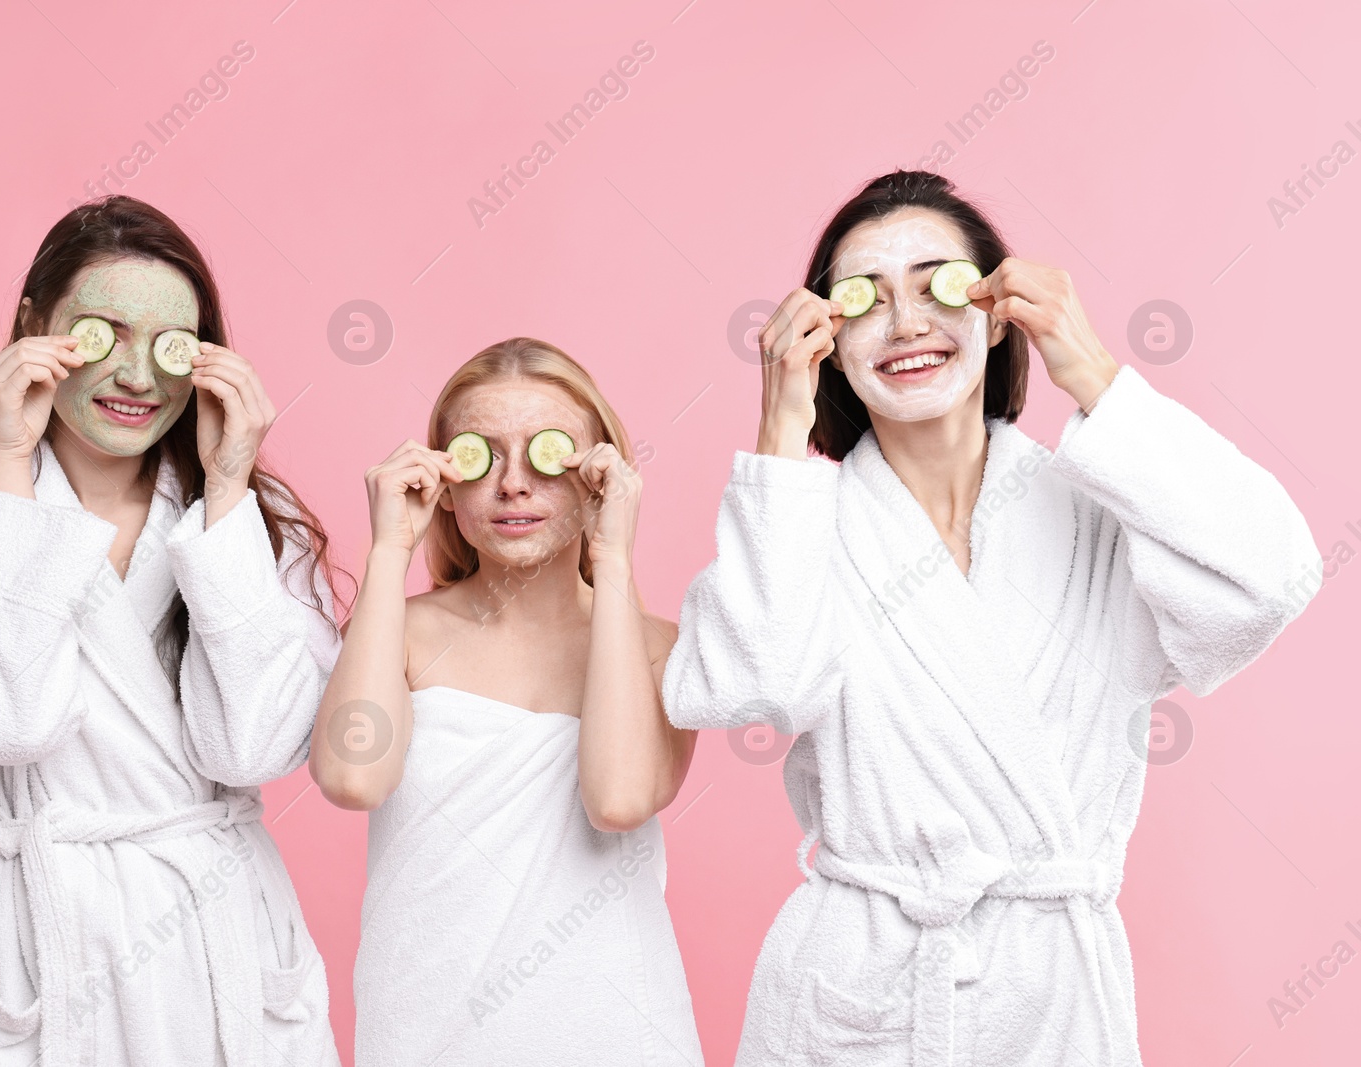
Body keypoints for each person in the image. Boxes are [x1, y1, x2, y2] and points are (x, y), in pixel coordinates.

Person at [661, 170, 1322, 1066]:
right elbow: (756, 682)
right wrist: (780, 430)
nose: (904, 324)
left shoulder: (1096, 509)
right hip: (860, 993)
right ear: (824, 340)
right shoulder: (805, 525)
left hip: (1052, 1001)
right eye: (865, 299)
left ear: (999, 309)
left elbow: (1271, 578)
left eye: (935, 283)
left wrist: (1092, 369)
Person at [0, 195, 346, 1066]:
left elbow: (253, 750)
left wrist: (230, 488)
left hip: (220, 948)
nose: (136, 377)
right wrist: (11, 467)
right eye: (99, 333)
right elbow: (8, 727)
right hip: (41, 945)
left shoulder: (257, 527)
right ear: (32, 327)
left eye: (166, 346)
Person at [312, 337, 704, 1065]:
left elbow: (617, 799)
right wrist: (389, 549)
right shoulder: (401, 634)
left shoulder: (658, 647)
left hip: (618, 1033)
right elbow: (350, 775)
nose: (513, 484)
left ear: (599, 475)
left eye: (546, 455)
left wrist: (613, 552)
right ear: (444, 480)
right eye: (479, 455)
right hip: (426, 1035)